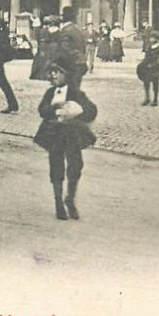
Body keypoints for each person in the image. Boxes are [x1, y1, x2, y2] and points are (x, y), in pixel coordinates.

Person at [34, 55, 97, 220]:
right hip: (54, 133)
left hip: (72, 134)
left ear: (67, 74)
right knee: (56, 166)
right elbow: (42, 110)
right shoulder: (50, 93)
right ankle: (58, 203)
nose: (53, 76)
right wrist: (53, 108)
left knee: (75, 165)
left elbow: (91, 110)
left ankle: (70, 198)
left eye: (57, 72)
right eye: (52, 72)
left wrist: (78, 111)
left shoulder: (76, 93)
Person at [57, 5, 88, 87]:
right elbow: (83, 47)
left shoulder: (66, 31)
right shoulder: (77, 30)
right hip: (79, 64)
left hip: (70, 65)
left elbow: (65, 49)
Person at [136, 30, 159, 106]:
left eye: (153, 38)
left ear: (157, 39)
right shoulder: (149, 47)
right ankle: (147, 97)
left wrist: (153, 64)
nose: (151, 39)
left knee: (155, 84)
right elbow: (146, 56)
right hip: (147, 67)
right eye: (151, 38)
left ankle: (155, 99)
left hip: (154, 68)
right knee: (146, 83)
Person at [30, 15, 61, 82]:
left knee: (42, 60)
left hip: (44, 46)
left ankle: (41, 75)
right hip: (53, 46)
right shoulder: (58, 30)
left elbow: (37, 38)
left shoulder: (43, 30)